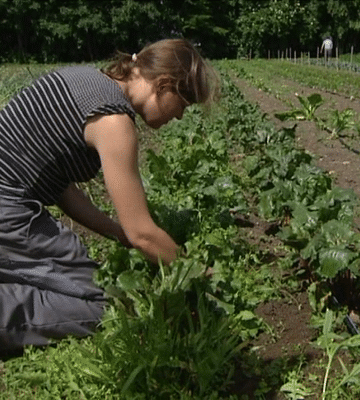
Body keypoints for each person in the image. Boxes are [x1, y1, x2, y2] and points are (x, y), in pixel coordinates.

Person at [0, 38, 217, 354]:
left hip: (10, 205)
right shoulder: (114, 120)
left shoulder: (87, 79)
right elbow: (143, 233)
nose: (181, 116)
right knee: (105, 304)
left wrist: (117, 232)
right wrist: (200, 274)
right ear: (165, 85)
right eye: (183, 103)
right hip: (8, 209)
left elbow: (60, 187)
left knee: (72, 276)